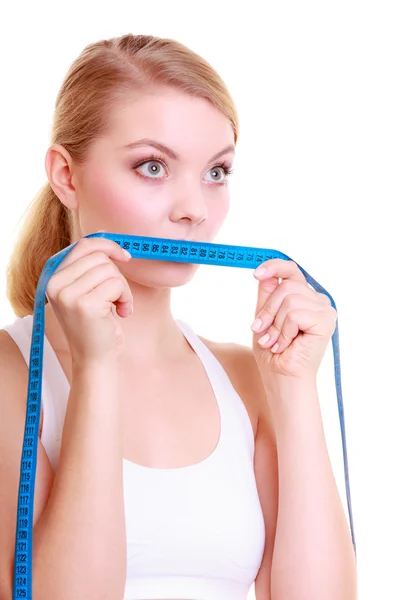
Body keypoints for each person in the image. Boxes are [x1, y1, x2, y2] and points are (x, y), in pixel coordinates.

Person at [0, 34, 357, 600]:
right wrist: (96, 370)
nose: (194, 209)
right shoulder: (9, 375)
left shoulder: (247, 380)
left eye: (216, 172)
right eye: (152, 167)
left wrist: (292, 390)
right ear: (67, 176)